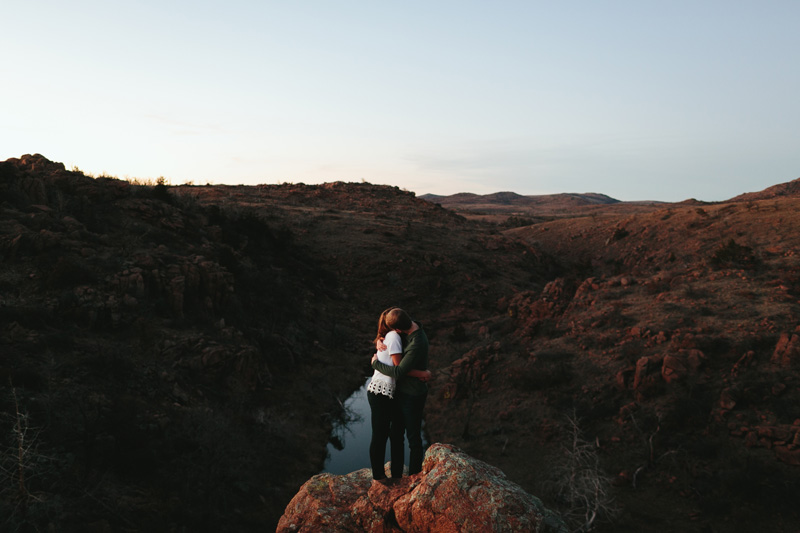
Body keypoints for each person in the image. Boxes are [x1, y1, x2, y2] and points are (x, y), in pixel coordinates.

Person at [371, 308, 430, 476]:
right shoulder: (408, 329)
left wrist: (375, 363)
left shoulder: (417, 342)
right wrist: (379, 341)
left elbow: (399, 371)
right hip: (400, 392)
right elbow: (388, 337)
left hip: (413, 395)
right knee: (396, 434)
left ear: (397, 329)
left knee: (413, 439)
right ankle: (397, 474)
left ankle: (414, 477)